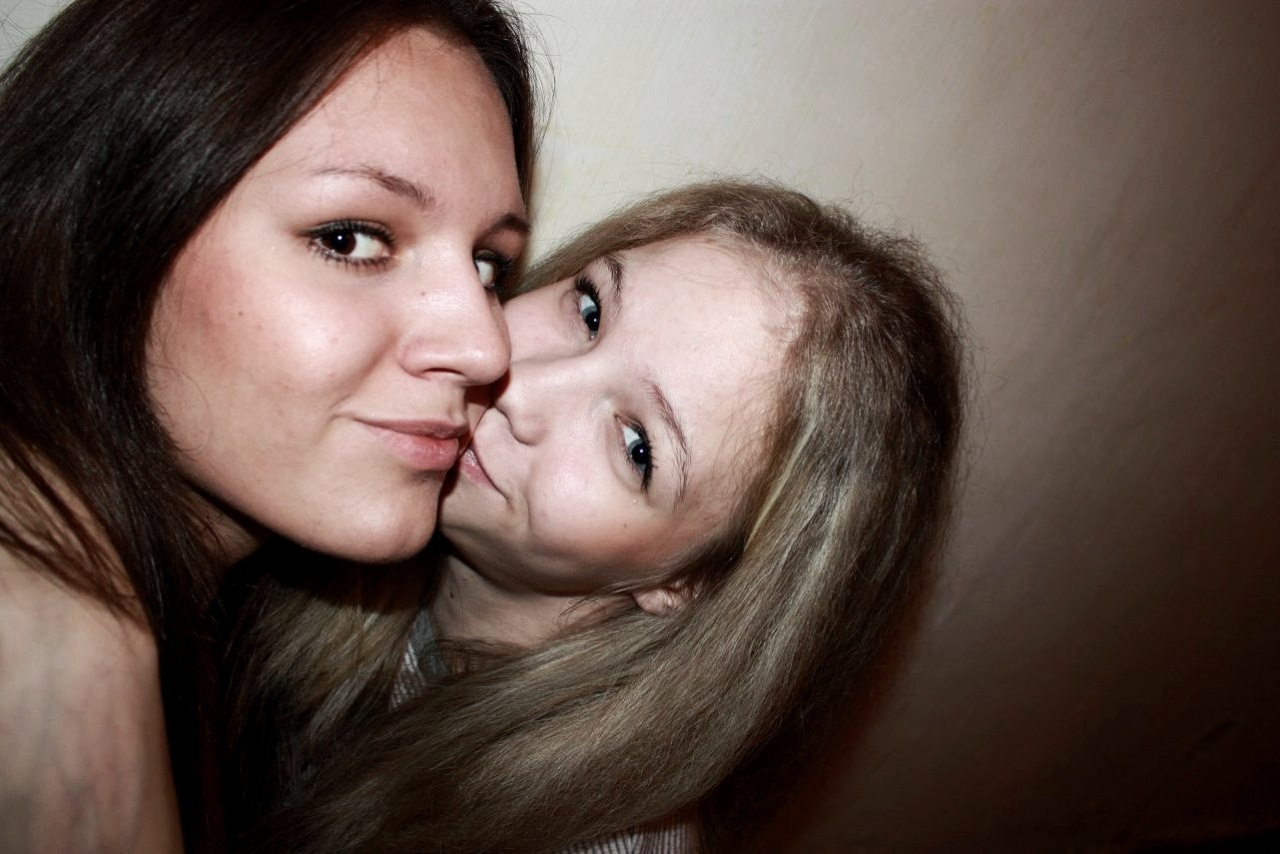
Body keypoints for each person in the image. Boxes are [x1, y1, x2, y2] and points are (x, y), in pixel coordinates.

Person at [225, 179, 968, 852]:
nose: (518, 388)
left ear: (688, 583)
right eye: (589, 310)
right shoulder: (352, 500)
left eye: (638, 447)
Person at [0, 0, 536, 849]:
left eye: (488, 265)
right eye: (351, 238)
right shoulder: (46, 634)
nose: (484, 346)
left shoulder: (262, 648)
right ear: (101, 223)